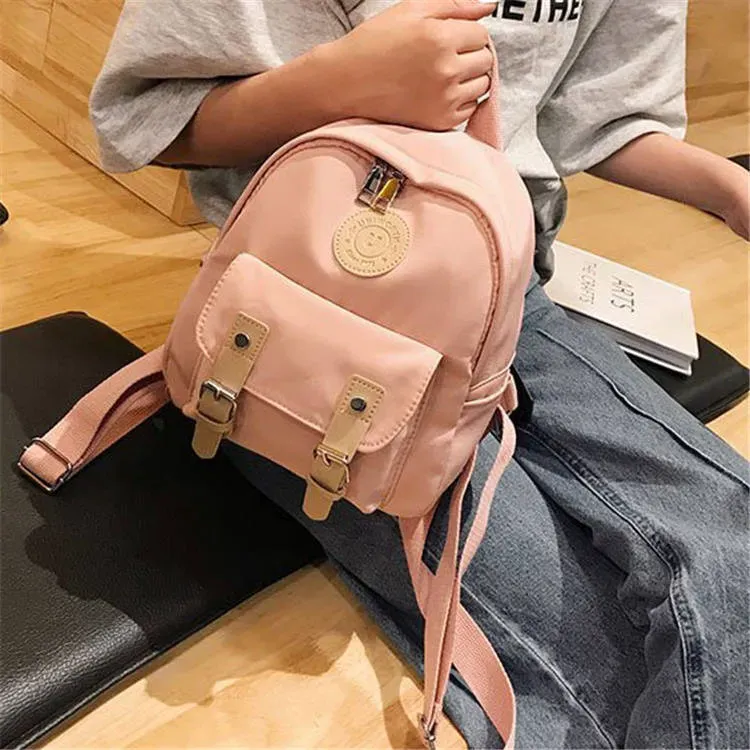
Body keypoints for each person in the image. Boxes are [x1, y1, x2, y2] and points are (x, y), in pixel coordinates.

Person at [90, 1, 750, 747]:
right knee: (600, 664)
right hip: (307, 317)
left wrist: (730, 189)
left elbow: (601, 114)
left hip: (510, 301)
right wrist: (335, 84)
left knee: (735, 554)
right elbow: (143, 116)